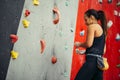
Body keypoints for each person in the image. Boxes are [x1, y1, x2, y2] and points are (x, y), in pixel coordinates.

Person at [74, 9, 107, 80]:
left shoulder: (92, 26)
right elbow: (103, 50)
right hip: (99, 64)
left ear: (91, 17)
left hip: (92, 62)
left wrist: (79, 44)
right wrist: (86, 52)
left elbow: (89, 44)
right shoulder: (102, 30)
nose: (85, 23)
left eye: (86, 19)